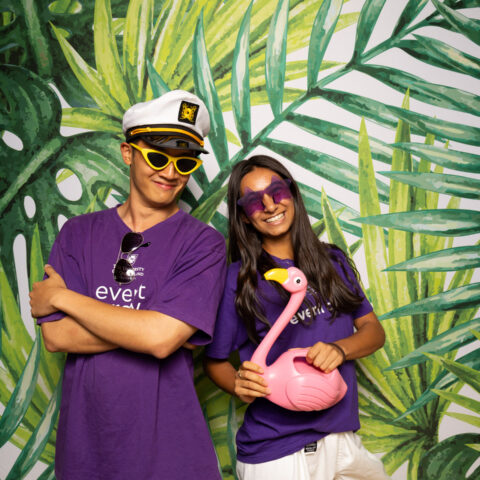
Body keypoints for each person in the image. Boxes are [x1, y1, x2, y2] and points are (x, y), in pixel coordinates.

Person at [29, 90, 226, 480]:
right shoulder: (78, 234)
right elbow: (57, 336)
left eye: (185, 161)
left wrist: (64, 298)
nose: (171, 172)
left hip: (172, 456)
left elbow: (160, 340)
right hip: (87, 452)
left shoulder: (204, 243)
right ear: (127, 153)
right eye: (157, 157)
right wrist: (155, 325)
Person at [204, 155, 389, 480]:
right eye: (253, 201)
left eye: (276, 191)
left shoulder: (332, 261)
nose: (269, 205)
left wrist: (340, 350)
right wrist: (239, 385)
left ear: (291, 194)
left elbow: (373, 330)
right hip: (277, 451)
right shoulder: (238, 280)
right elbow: (215, 361)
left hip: (342, 438)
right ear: (244, 216)